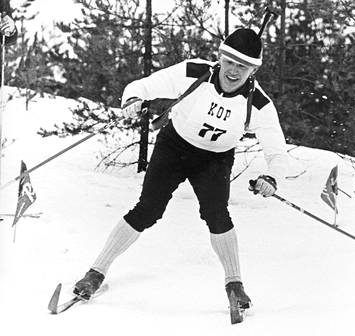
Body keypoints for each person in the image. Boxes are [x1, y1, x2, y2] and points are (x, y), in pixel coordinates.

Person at [73, 28, 289, 311]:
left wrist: (272, 177)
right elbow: (144, 86)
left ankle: (235, 285)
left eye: (243, 66)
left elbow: (277, 152)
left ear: (253, 70)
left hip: (214, 159)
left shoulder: (259, 103)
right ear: (220, 57)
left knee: (217, 214)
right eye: (230, 61)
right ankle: (95, 272)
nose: (234, 71)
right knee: (148, 209)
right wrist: (132, 101)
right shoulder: (194, 72)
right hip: (174, 147)